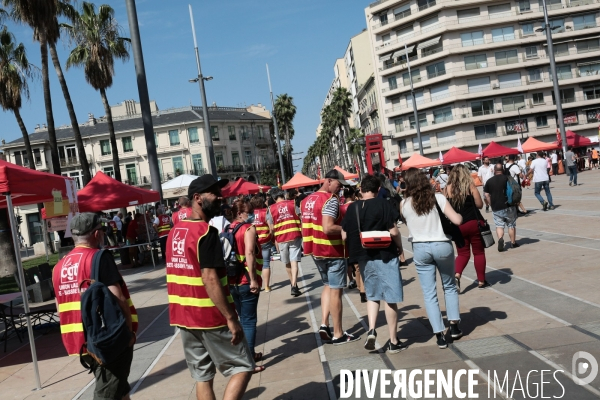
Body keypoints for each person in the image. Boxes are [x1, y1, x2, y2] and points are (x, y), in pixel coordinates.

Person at [165, 175, 263, 400]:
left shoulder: (174, 232)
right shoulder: (205, 233)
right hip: (210, 315)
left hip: (183, 315)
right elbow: (210, 279)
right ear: (197, 198)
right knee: (244, 366)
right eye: (214, 193)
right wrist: (230, 318)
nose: (220, 197)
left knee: (202, 375)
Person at [53, 213, 137, 400]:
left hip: (80, 342)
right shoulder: (98, 258)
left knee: (120, 389)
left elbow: (59, 307)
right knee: (107, 392)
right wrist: (128, 334)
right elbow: (118, 298)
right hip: (107, 339)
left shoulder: (58, 267)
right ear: (96, 233)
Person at [341, 175, 407, 353]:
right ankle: (393, 341)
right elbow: (393, 230)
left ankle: (371, 329)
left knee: (372, 295)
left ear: (361, 190)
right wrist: (400, 247)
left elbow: (344, 235)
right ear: (378, 190)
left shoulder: (353, 208)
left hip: (364, 257)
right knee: (391, 298)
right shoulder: (384, 204)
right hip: (385, 254)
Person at [401, 168, 463, 349]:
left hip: (420, 248)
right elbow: (457, 220)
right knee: (449, 286)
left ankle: (439, 335)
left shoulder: (404, 204)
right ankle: (454, 326)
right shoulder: (438, 198)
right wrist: (458, 215)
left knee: (429, 293)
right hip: (441, 245)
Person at [301, 169, 359, 345]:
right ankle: (338, 333)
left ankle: (324, 324)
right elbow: (327, 227)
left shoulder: (306, 200)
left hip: (315, 250)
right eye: (338, 185)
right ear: (328, 181)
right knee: (336, 291)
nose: (340, 189)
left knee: (327, 286)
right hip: (332, 250)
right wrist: (345, 229)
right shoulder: (330, 200)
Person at [228, 198, 263, 363]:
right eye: (249, 213)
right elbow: (249, 253)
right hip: (246, 279)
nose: (252, 215)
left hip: (231, 280)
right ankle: (248, 358)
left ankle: (245, 354)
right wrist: (254, 279)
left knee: (242, 319)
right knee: (249, 321)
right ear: (240, 213)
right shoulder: (248, 228)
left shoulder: (228, 228)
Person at [446, 165, 489, 290]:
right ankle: (481, 281)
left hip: (458, 226)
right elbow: (480, 205)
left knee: (462, 254)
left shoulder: (447, 189)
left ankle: (457, 275)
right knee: (479, 252)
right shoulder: (470, 187)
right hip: (474, 223)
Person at [269, 188, 303, 297]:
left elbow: (271, 229)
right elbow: (301, 218)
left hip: (281, 238)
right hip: (295, 235)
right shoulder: (293, 203)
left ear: (274, 198)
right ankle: (294, 285)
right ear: (283, 195)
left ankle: (293, 284)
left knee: (287, 262)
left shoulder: (270, 209)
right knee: (294, 261)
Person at [339, 187, 365, 303]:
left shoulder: (341, 208)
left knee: (353, 264)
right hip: (359, 235)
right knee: (362, 265)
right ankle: (363, 289)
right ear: (354, 195)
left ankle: (355, 282)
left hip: (347, 236)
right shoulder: (358, 205)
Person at [484, 164, 519, 252]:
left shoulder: (489, 181)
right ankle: (513, 242)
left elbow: (486, 195)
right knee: (511, 224)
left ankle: (500, 239)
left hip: (496, 206)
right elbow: (515, 189)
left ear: (495, 170)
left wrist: (491, 204)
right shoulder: (507, 178)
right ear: (502, 170)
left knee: (499, 225)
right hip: (509, 205)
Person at [250, 195, 275, 292]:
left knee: (253, 264)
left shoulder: (249, 214)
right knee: (266, 264)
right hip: (265, 241)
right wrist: (271, 236)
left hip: (253, 242)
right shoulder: (266, 212)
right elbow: (271, 228)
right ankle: (267, 286)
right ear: (261, 202)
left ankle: (256, 284)